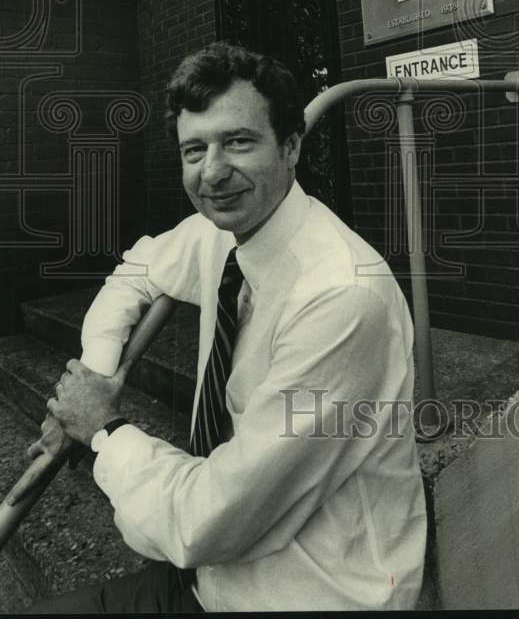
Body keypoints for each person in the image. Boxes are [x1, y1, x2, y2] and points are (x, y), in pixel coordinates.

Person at [23, 42, 427, 612]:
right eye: (195, 149)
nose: (213, 173)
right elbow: (137, 270)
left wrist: (102, 429)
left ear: (290, 145)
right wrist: (95, 372)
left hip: (305, 594)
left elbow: (211, 517)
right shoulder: (224, 234)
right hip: (207, 576)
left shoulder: (341, 298)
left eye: (238, 141)